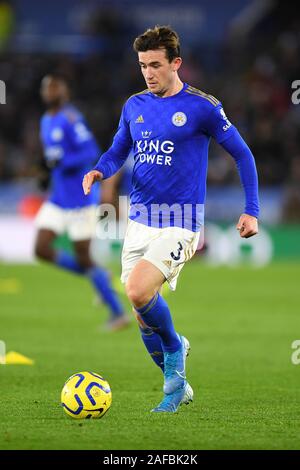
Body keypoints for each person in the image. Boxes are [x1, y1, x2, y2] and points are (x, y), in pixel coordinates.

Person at [82, 26, 259, 412]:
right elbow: (117, 150)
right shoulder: (134, 106)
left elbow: (243, 154)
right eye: (143, 65)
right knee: (143, 315)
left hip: (181, 220)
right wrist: (99, 170)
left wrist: (252, 209)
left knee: (138, 292)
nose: (148, 72)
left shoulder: (203, 107)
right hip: (140, 221)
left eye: (156, 65)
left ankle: (176, 348)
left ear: (176, 63)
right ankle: (179, 384)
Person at [35, 74, 129, 331]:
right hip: (58, 198)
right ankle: (100, 275)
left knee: (83, 257)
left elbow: (89, 152)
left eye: (55, 87)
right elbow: (51, 158)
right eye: (47, 87)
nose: (50, 91)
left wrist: (61, 163)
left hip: (80, 199)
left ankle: (118, 313)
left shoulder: (71, 118)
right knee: (41, 248)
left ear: (64, 92)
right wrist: (46, 174)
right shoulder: (46, 121)